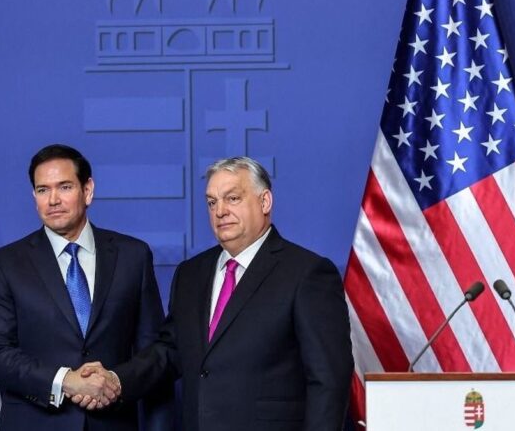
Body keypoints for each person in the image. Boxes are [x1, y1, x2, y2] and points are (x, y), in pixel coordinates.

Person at [80, 156, 353, 431]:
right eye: (212, 202)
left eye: (232, 198)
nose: (220, 211)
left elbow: (329, 380)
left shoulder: (307, 273)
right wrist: (117, 380)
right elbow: (170, 351)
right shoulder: (191, 274)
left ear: (265, 201)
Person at [0, 144, 173, 431]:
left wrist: (116, 382)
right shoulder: (5, 264)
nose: (53, 200)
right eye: (43, 190)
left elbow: (155, 350)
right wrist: (65, 381)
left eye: (65, 187)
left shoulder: (133, 256)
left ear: (87, 190)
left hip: (113, 423)